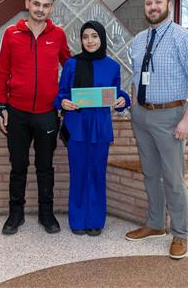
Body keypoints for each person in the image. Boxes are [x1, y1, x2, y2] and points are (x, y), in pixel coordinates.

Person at [125, 0, 188, 260]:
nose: (153, 7)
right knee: (150, 173)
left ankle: (180, 234)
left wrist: (187, 119)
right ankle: (155, 224)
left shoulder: (184, 38)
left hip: (170, 117)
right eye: (148, 3)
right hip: (142, 116)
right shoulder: (138, 40)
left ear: (168, 5)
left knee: (173, 178)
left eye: (158, 2)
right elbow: (136, 78)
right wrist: (135, 108)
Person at [0, 0, 70, 235]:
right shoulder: (11, 34)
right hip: (17, 112)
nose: (41, 9)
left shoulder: (58, 34)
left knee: (45, 167)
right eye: (36, 4)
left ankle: (46, 215)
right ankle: (15, 215)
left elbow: (68, 67)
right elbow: (2, 72)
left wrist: (63, 99)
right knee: (18, 165)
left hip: (47, 114)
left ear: (51, 8)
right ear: (27, 4)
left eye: (46, 5)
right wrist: (1, 106)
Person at [54, 20, 130, 236]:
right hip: (76, 125)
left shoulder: (112, 66)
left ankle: (95, 219)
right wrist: (63, 103)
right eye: (85, 36)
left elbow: (117, 93)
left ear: (101, 38)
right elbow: (61, 94)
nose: (90, 40)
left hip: (100, 127)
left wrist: (124, 100)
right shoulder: (71, 64)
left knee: (97, 173)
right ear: (81, 39)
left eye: (94, 36)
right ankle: (77, 220)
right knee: (78, 173)